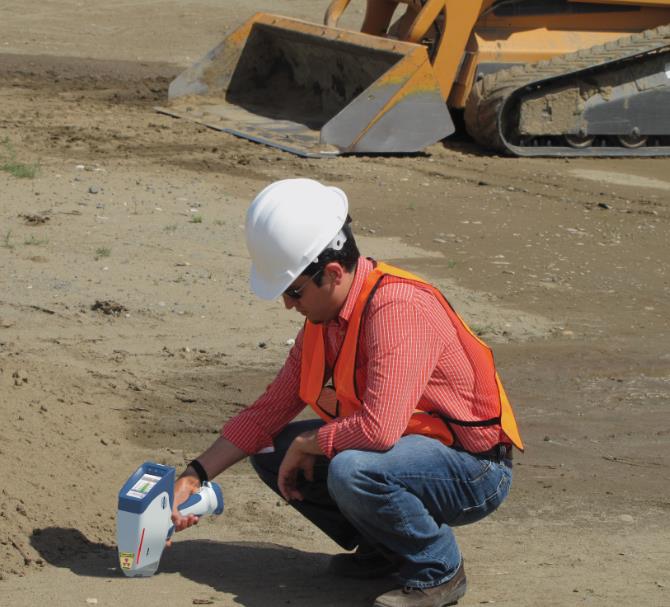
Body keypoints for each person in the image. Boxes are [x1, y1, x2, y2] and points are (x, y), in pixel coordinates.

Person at [171, 178, 523, 607]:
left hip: (474, 469)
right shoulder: (323, 322)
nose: (287, 304)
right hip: (407, 454)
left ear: (333, 273)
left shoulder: (399, 310)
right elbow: (267, 412)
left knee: (354, 468)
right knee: (269, 450)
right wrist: (195, 474)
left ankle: (438, 570)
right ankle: (387, 551)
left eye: (293, 291)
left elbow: (378, 430)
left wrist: (310, 442)